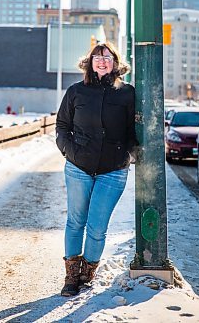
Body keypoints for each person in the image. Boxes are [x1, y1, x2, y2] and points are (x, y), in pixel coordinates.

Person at [56, 42, 138, 297]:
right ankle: (71, 275)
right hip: (78, 167)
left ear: (115, 62)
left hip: (112, 171)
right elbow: (61, 125)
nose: (102, 61)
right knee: (75, 221)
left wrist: (127, 155)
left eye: (107, 57)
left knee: (97, 226)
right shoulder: (76, 92)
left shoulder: (127, 93)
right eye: (97, 57)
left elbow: (134, 131)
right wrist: (70, 151)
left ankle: (87, 271)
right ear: (90, 62)